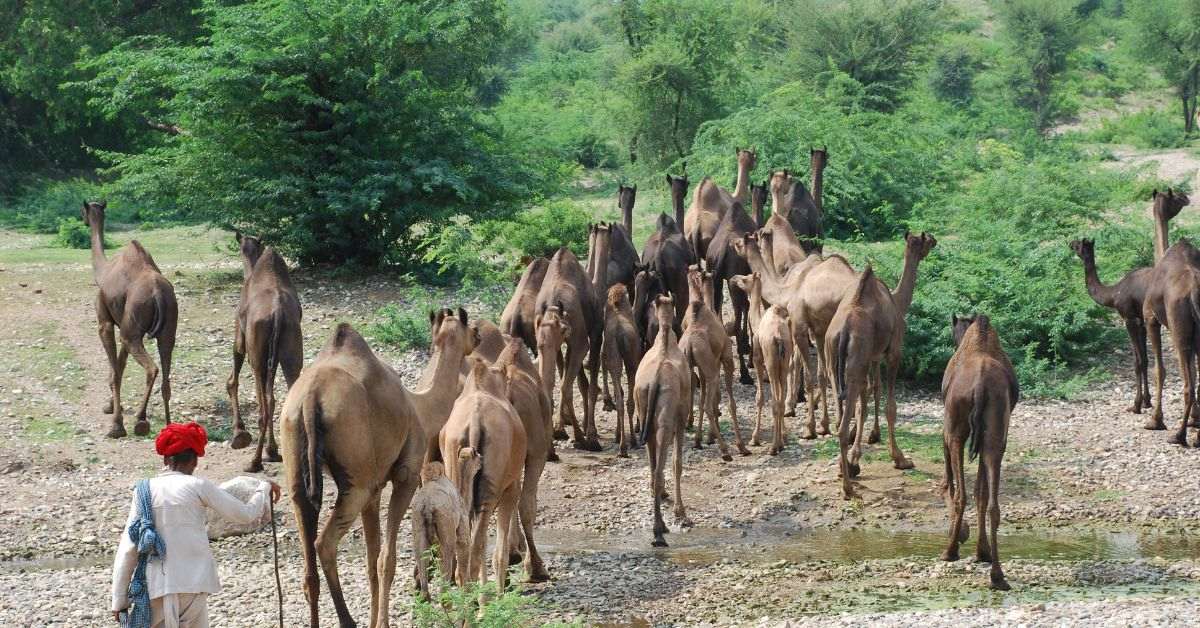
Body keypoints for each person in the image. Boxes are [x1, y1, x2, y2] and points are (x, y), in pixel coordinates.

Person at [110, 422, 281, 627]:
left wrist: (119, 600)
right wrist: (263, 488)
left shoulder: (143, 491)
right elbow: (245, 515)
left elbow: (128, 549)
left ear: (165, 459)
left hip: (155, 587)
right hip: (194, 584)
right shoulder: (198, 486)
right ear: (194, 461)